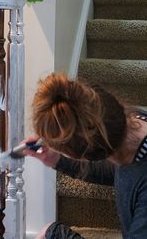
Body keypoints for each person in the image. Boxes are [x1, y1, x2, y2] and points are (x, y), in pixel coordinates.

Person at [23, 73, 147, 239]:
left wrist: (57, 234)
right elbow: (122, 173)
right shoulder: (135, 122)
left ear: (82, 156)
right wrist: (57, 160)